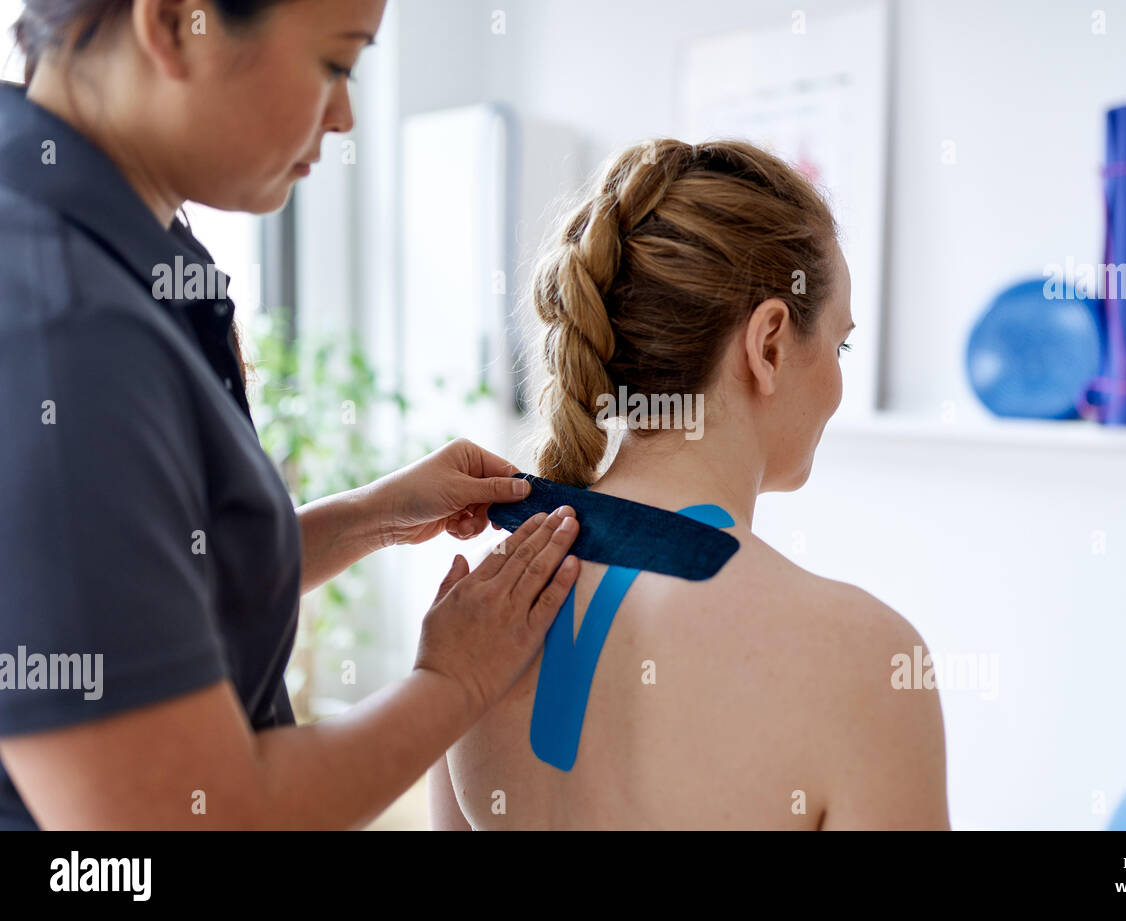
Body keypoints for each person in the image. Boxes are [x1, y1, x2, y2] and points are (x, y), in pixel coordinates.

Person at [0, 0, 580, 830]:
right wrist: (455, 682)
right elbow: (181, 820)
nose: (344, 118)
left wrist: (374, 516)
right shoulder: (61, 330)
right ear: (172, 25)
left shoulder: (131, 248)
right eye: (337, 64)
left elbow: (151, 586)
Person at [432, 139, 951, 830]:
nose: (837, 380)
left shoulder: (478, 616)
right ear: (768, 344)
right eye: (840, 343)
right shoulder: (865, 660)